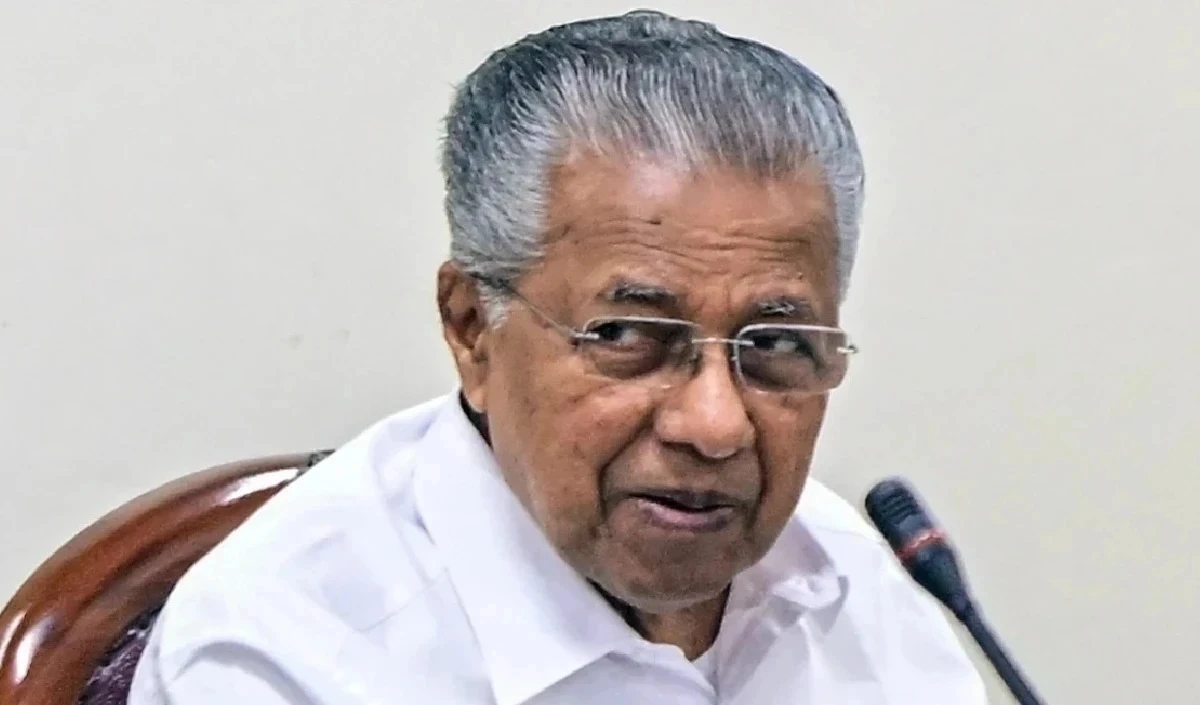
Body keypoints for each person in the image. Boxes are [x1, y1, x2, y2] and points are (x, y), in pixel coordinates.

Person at [129, 10, 987, 705]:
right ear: (472, 328)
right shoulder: (285, 653)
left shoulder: (854, 586)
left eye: (774, 346)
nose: (715, 424)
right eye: (628, 336)